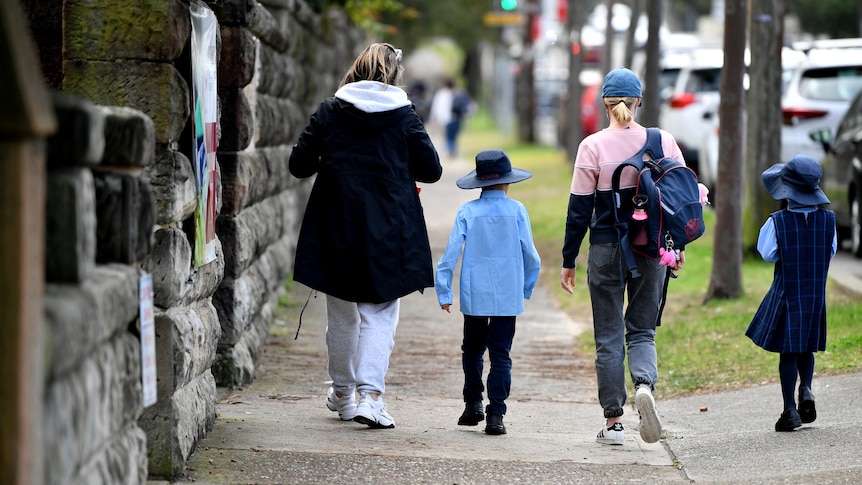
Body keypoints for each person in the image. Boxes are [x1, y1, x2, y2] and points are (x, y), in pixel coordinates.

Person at [288, 43, 443, 429]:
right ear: (394, 76)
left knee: (342, 312)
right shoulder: (404, 116)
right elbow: (431, 170)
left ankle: (342, 395)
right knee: (379, 312)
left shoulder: (330, 110)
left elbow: (299, 165)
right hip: (389, 226)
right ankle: (370, 398)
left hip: (336, 220)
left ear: (355, 70)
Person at [559, 67, 686, 446]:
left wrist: (569, 259)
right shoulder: (663, 141)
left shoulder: (592, 146)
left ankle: (614, 422)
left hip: (605, 247)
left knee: (609, 335)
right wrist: (674, 249)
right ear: (639, 101)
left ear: (604, 104)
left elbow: (578, 210)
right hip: (650, 248)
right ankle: (644, 385)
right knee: (642, 329)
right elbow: (679, 198)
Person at [435, 149, 541, 436]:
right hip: (508, 295)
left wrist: (444, 291)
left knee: (472, 349)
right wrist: (525, 288)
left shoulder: (467, 211)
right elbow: (532, 256)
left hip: (474, 294)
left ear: (479, 183)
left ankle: (473, 404)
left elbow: (450, 255)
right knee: (501, 354)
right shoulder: (518, 210)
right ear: (508, 182)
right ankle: (496, 415)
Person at [745, 154, 837, 432]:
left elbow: (768, 254)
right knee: (806, 347)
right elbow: (829, 252)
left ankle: (789, 410)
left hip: (788, 293)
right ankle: (806, 388)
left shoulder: (777, 222)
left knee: (788, 352)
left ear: (786, 190)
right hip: (814, 296)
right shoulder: (829, 221)